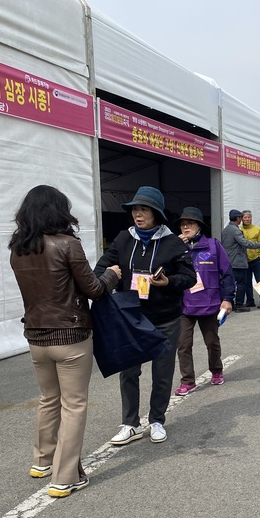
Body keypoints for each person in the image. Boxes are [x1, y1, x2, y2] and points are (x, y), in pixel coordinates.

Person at [8, 185, 122, 497]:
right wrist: (112, 274)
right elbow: (94, 289)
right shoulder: (67, 244)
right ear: (59, 210)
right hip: (70, 336)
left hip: (35, 336)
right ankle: (65, 476)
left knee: (48, 399)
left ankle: (42, 461)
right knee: (74, 405)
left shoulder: (18, 248)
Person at [95, 186, 197, 446]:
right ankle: (130, 423)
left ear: (157, 214)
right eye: (135, 210)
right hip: (130, 317)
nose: (138, 215)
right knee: (128, 371)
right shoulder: (123, 239)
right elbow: (101, 269)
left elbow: (189, 277)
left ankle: (157, 420)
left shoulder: (173, 243)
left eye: (144, 210)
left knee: (162, 372)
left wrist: (168, 282)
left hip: (166, 318)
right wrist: (111, 276)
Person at [173, 207, 234, 396]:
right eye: (183, 224)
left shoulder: (213, 245)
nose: (185, 227)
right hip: (184, 305)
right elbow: (163, 269)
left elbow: (227, 273)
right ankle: (188, 381)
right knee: (183, 345)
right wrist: (173, 247)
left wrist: (227, 299)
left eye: (189, 223)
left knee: (212, 341)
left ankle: (216, 370)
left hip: (210, 304)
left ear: (199, 226)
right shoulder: (174, 246)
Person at [221, 209, 260, 312]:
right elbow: (245, 243)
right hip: (238, 261)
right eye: (242, 217)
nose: (244, 219)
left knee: (232, 282)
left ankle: (232, 302)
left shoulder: (225, 230)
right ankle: (239, 304)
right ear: (238, 218)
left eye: (248, 217)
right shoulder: (236, 230)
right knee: (241, 283)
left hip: (234, 260)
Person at [241, 210, 260, 308]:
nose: (247, 219)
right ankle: (250, 301)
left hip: (256, 259)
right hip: (245, 260)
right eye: (245, 217)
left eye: (249, 217)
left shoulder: (257, 229)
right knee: (247, 282)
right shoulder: (239, 230)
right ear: (241, 219)